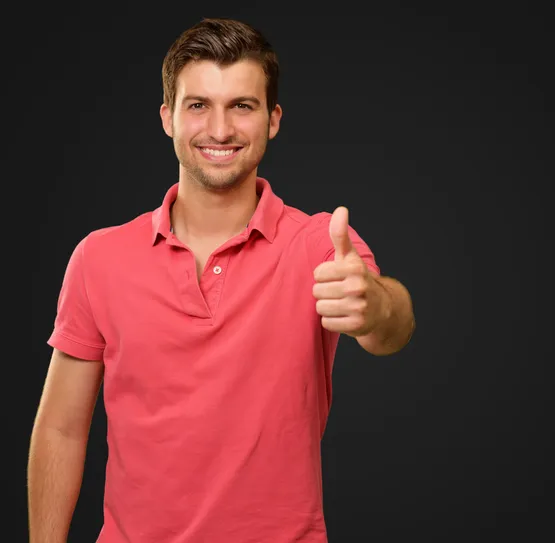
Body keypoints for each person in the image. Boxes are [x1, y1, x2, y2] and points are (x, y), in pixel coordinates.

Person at [28, 17, 415, 543]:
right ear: (167, 117)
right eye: (198, 105)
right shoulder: (98, 258)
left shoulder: (319, 244)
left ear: (273, 120)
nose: (219, 129)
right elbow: (61, 428)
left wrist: (374, 306)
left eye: (242, 105)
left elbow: (391, 326)